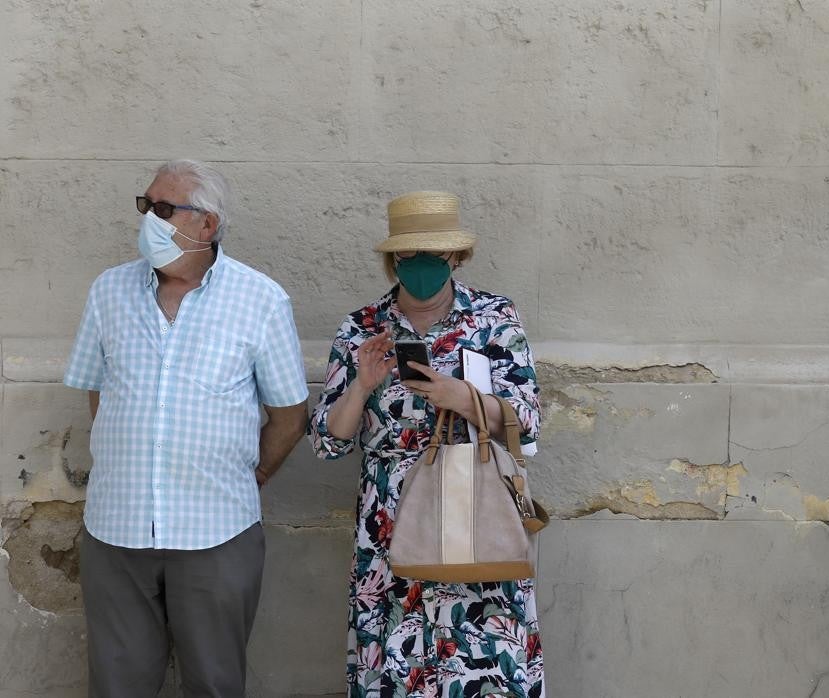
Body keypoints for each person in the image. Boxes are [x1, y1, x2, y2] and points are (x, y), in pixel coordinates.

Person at [63, 159, 309, 697]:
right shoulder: (109, 291)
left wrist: (255, 472)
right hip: (116, 530)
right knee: (116, 685)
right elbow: (96, 389)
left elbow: (290, 415)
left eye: (164, 208)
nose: (149, 218)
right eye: (146, 205)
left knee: (214, 683)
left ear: (207, 224)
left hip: (216, 531)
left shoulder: (260, 299)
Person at [309, 191, 543, 697]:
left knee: (482, 665)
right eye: (408, 257)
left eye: (433, 257)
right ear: (393, 261)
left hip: (476, 509)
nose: (419, 268)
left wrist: (462, 397)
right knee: (395, 665)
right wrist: (362, 385)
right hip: (390, 521)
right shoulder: (361, 327)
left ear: (455, 258)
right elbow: (328, 444)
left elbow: (528, 420)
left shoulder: (493, 318)